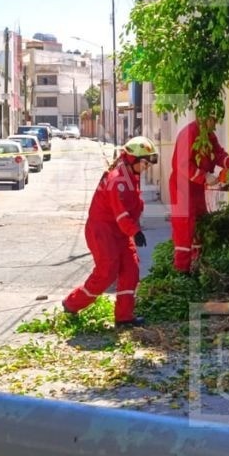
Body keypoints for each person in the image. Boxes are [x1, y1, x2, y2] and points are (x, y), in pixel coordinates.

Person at [62, 136, 159, 327]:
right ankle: (72, 304)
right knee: (107, 273)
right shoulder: (118, 180)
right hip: (103, 232)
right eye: (145, 163)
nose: (147, 167)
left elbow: (131, 208)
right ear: (133, 159)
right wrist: (135, 231)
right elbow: (120, 212)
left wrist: (132, 229)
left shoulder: (131, 175)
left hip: (120, 232)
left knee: (131, 270)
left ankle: (124, 317)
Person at [169, 116, 229, 273]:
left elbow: (218, 154)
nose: (215, 124)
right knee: (184, 228)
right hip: (182, 187)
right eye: (213, 120)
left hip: (196, 187)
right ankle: (182, 270)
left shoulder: (208, 135)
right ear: (203, 118)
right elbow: (182, 164)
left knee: (199, 222)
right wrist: (204, 176)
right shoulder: (189, 133)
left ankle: (196, 265)